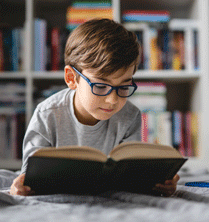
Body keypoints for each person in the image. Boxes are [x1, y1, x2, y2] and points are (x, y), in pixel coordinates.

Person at [10, 18, 179, 196]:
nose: (112, 100)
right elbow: (28, 177)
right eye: (100, 86)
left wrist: (158, 183)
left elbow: (133, 174)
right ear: (71, 78)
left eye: (123, 87)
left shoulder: (130, 116)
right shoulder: (47, 115)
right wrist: (21, 186)